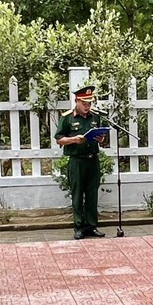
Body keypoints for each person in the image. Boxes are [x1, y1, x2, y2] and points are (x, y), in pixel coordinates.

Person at [54, 84, 108, 239]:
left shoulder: (95, 117)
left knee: (92, 194)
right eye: (84, 103)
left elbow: (102, 139)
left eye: (89, 103)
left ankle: (91, 226)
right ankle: (78, 227)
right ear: (77, 101)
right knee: (77, 195)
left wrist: (101, 139)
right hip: (77, 161)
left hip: (93, 160)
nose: (87, 106)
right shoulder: (67, 118)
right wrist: (73, 140)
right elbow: (59, 139)